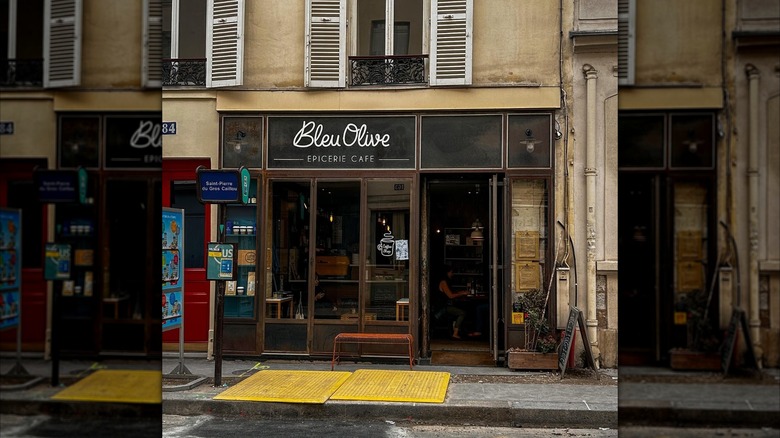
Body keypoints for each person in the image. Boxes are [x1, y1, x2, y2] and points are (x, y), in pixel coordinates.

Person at [438, 265, 469, 339]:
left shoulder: (446, 282)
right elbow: (450, 296)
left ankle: (458, 329)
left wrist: (460, 292)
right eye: (451, 272)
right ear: (447, 273)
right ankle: (455, 333)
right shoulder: (443, 282)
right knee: (462, 313)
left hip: (447, 305)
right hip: (444, 307)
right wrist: (462, 293)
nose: (452, 274)